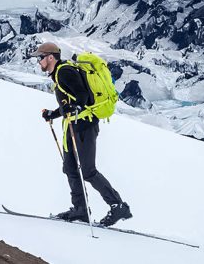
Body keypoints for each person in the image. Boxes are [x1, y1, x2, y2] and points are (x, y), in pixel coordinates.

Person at [31, 42, 132, 227]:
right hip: (72, 125)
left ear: (50, 57)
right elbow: (69, 102)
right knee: (69, 168)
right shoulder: (58, 74)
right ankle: (80, 209)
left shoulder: (64, 71)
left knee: (88, 171)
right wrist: (53, 114)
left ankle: (119, 206)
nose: (39, 62)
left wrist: (72, 107)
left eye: (40, 58)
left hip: (84, 125)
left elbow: (82, 97)